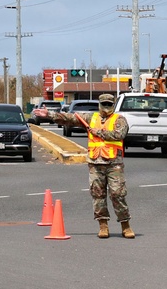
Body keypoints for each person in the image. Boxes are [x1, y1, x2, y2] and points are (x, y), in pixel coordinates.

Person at [34, 93, 134, 239]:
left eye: (109, 104)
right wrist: (49, 114)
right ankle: (103, 225)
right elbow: (70, 118)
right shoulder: (91, 118)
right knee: (97, 194)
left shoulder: (119, 119)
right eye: (104, 104)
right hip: (95, 163)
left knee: (118, 194)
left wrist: (98, 132)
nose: (106, 107)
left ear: (113, 105)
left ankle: (125, 225)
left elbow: (119, 134)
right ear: (99, 105)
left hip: (114, 164)